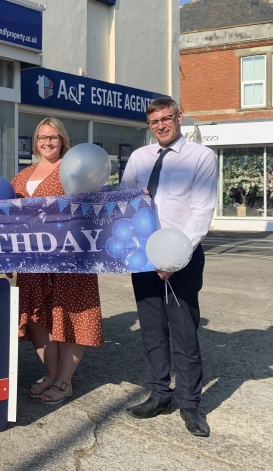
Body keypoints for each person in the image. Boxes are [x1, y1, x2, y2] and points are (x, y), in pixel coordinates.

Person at [120, 98, 217, 437]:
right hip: (144, 258)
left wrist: (175, 256)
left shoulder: (201, 158)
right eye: (154, 122)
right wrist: (134, 199)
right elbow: (123, 202)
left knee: (184, 331)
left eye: (166, 118)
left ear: (179, 117)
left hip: (182, 259)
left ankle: (189, 403)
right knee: (151, 329)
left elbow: (202, 212)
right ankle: (160, 394)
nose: (161, 125)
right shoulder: (139, 158)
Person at [10, 117, 103, 404]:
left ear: (62, 140)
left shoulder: (75, 168)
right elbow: (8, 214)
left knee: (70, 313)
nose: (47, 142)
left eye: (53, 137)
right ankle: (51, 374)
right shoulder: (24, 175)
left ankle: (65, 380)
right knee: (38, 317)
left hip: (70, 259)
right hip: (33, 260)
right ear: (35, 142)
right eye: (42, 137)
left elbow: (97, 205)